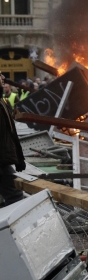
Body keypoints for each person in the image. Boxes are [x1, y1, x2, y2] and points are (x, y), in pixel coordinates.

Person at [0, 72, 25, 207]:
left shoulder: (1, 100)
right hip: (1, 164)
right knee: (15, 196)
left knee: (15, 195)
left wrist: (18, 158)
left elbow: (10, 132)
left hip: (3, 162)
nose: (3, 77)